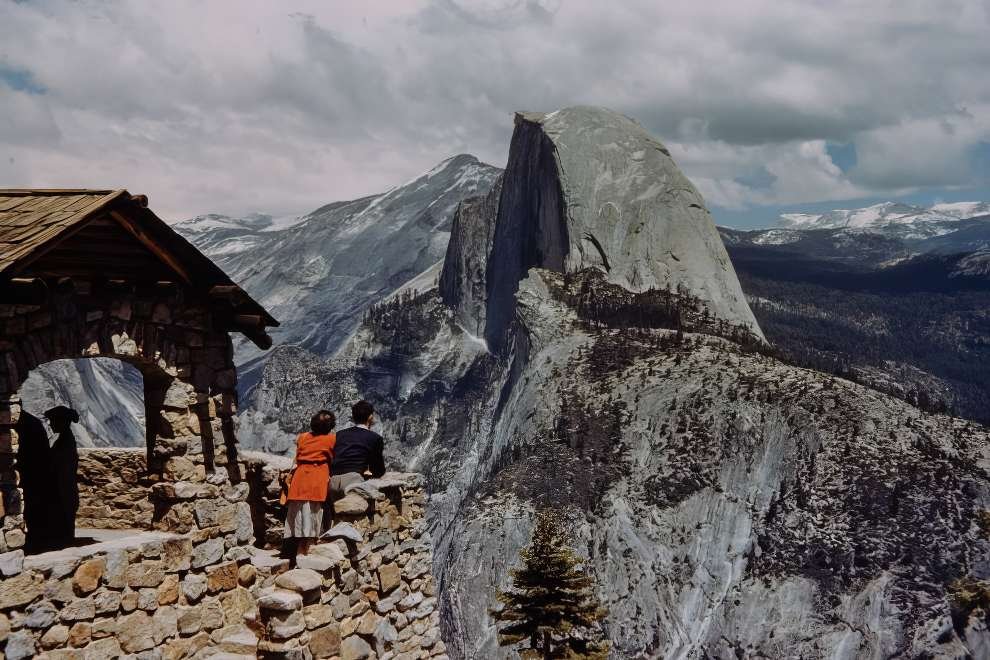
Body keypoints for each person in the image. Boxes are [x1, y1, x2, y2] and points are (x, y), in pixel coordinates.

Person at [284, 410, 336, 558]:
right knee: (312, 518)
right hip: (316, 479)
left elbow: (297, 458)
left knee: (299, 518)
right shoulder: (331, 440)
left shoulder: (303, 437)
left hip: (300, 480)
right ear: (330, 426)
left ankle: (298, 553)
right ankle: (306, 553)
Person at [15, 410, 55, 553]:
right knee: (35, 513)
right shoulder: (33, 423)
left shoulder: (25, 423)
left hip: (29, 476)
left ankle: (34, 543)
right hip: (36, 477)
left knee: (32, 512)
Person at [330, 400, 386, 502]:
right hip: (353, 480)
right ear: (370, 417)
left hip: (333, 481)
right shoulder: (374, 438)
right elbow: (378, 469)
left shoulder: (339, 434)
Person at [44, 405, 80, 550]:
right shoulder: (66, 440)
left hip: (64, 491)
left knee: (64, 535)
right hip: (67, 490)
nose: (51, 425)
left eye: (53, 421)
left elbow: (59, 468)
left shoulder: (64, 443)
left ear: (61, 422)